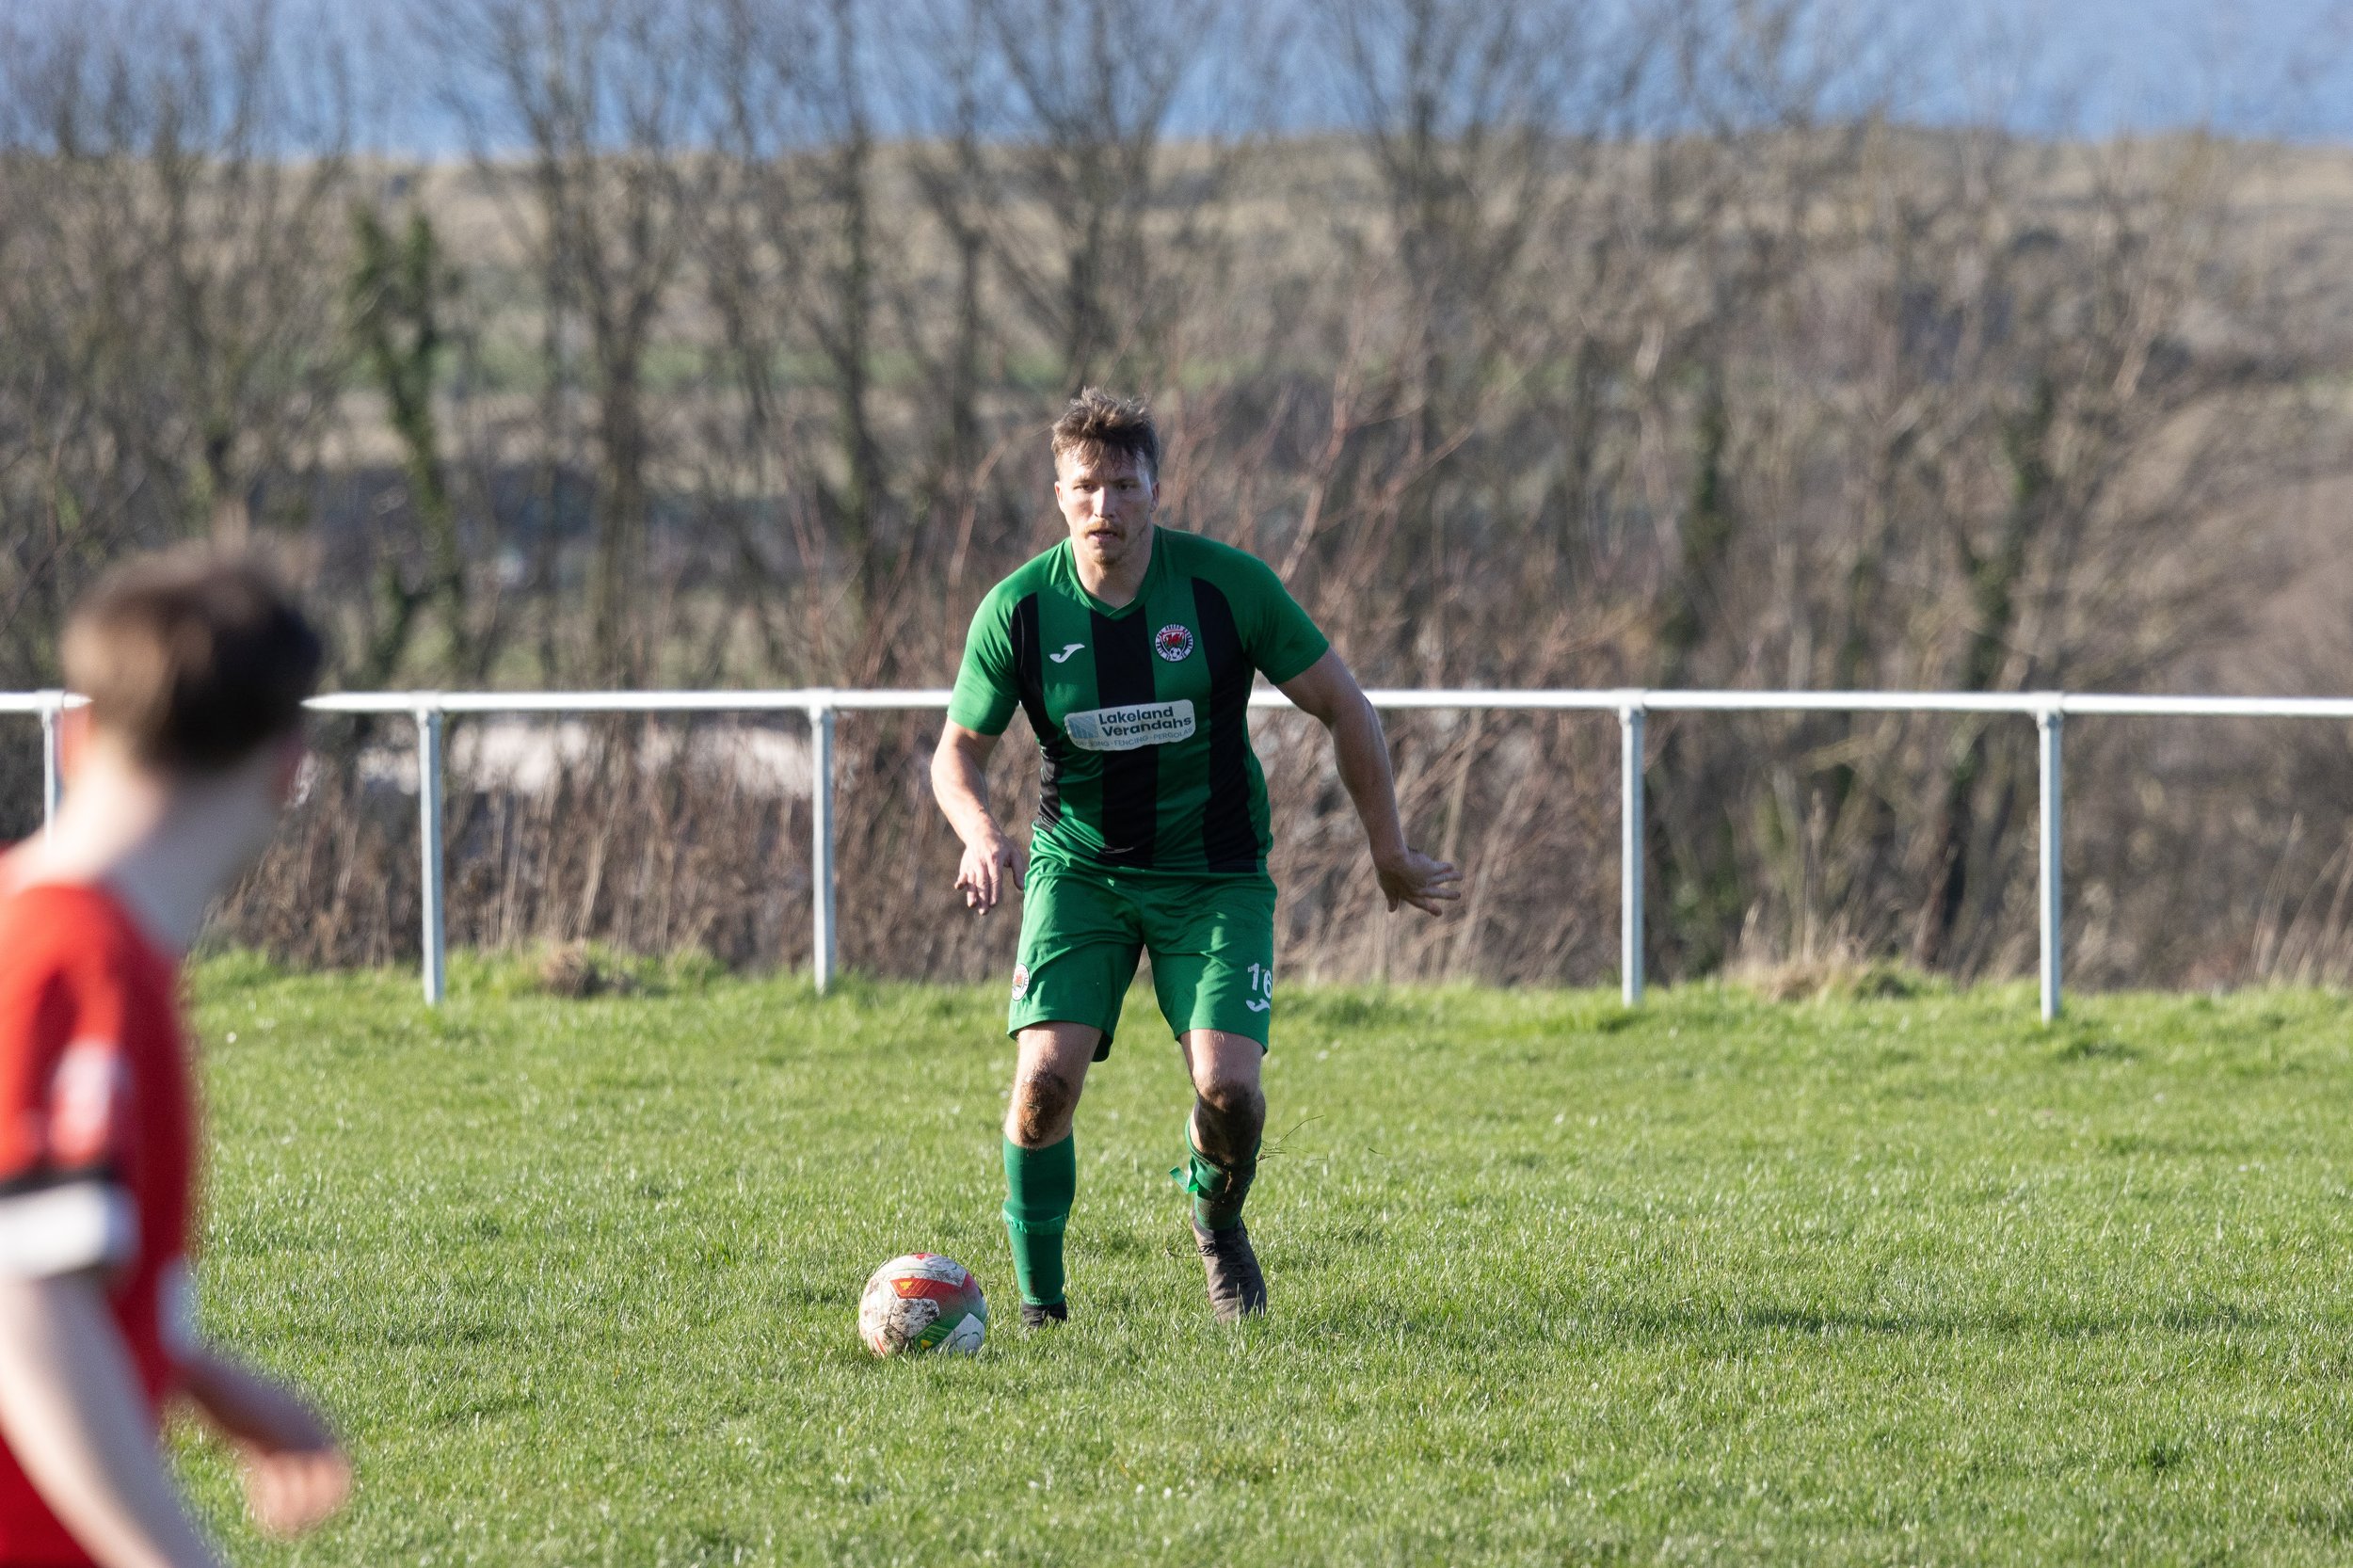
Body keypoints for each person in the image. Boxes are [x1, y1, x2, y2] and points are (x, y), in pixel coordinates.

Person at [931, 389, 1460, 1326]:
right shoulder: (1016, 610)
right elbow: (956, 753)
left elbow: (1346, 705)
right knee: (1044, 1087)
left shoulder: (1226, 589)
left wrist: (1389, 848)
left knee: (1230, 1093)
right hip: (1078, 874)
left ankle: (1217, 1224)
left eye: (1123, 486)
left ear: (1155, 492)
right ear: (1058, 493)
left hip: (1213, 876)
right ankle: (1040, 1306)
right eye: (1085, 486)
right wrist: (978, 829)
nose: (1104, 506)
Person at [0, 552, 350, 1568]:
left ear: (79, 732)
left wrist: (201, 1377)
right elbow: (27, 1300)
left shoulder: (46, 933)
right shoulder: (78, 962)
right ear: (289, 771)